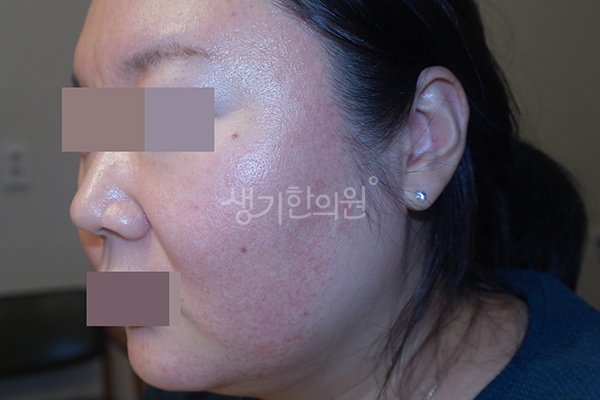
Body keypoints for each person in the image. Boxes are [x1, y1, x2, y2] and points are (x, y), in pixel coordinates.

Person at [69, 0, 600, 399]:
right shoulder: (195, 374)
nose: (86, 206)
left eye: (165, 118)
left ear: (421, 141)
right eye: (94, 129)